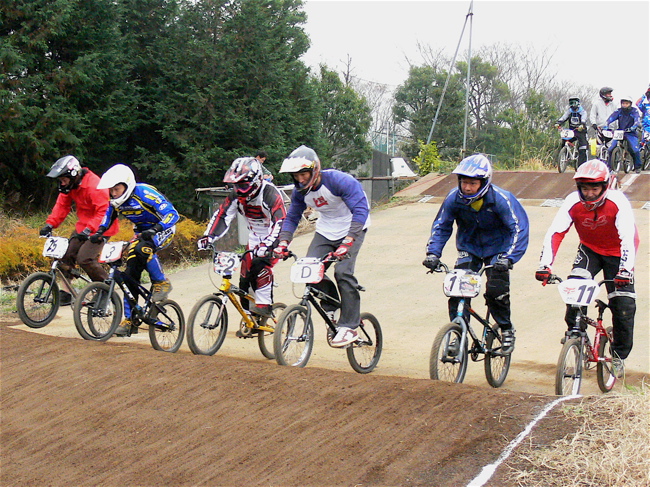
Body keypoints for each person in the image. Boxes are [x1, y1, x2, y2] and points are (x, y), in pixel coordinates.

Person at [535, 159, 638, 377]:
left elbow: (628, 238)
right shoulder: (573, 202)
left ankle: (619, 355)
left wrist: (625, 270)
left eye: (594, 188)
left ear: (605, 186)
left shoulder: (617, 201)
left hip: (619, 254)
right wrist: (545, 265)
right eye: (584, 188)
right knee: (574, 289)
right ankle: (575, 334)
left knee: (624, 307)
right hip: (590, 251)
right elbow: (555, 232)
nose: (589, 193)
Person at [422, 154, 529, 355]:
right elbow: (441, 226)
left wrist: (509, 258)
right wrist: (433, 254)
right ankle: (457, 333)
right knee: (457, 291)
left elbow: (519, 228)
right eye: (464, 182)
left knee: (496, 292)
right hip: (469, 248)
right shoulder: (453, 198)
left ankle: (506, 329)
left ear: (484, 182)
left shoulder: (501, 199)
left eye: (472, 183)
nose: (467, 188)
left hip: (499, 251)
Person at [273, 145, 370, 348]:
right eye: (296, 175)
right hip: (326, 230)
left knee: (343, 272)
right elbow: (292, 216)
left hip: (353, 227)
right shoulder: (300, 192)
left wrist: (349, 240)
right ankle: (333, 306)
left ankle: (349, 325)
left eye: (303, 174)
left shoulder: (339, 181)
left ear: (315, 169)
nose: (300, 179)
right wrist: (283, 241)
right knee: (307, 271)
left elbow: (361, 210)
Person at [92, 164, 179, 336]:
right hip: (141, 234)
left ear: (126, 184)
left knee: (143, 248)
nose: (113, 194)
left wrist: (155, 229)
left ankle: (162, 282)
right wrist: (100, 232)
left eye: (116, 189)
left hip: (163, 230)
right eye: (111, 190)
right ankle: (130, 320)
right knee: (129, 275)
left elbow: (173, 214)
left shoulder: (144, 193)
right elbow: (108, 216)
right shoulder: (116, 201)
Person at [199, 157, 286, 323]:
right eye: (236, 185)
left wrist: (268, 244)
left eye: (244, 185)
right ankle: (248, 319)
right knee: (244, 279)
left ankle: (264, 305)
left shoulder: (270, 193)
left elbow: (281, 222)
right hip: (253, 238)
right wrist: (208, 236)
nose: (239, 190)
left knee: (261, 265)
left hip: (275, 237)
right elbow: (223, 215)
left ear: (256, 180)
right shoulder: (236, 195)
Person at [40, 155, 119, 304]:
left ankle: (105, 290)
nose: (62, 183)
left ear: (74, 174)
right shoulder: (70, 187)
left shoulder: (94, 185)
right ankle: (66, 291)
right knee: (65, 254)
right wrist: (50, 224)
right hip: (83, 226)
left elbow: (104, 212)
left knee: (85, 258)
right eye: (60, 180)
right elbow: (62, 206)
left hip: (102, 227)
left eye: (63, 180)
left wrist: (90, 230)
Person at [605, 95, 642, 173]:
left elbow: (637, 121)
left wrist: (633, 127)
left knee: (635, 150)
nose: (624, 105)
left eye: (626, 103)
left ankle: (637, 166)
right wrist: (606, 126)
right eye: (623, 103)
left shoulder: (634, 111)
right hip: (620, 131)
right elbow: (611, 118)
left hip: (631, 133)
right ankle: (609, 166)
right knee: (611, 148)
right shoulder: (619, 111)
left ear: (630, 104)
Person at [555, 96, 589, 167]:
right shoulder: (569, 111)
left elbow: (584, 119)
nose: (572, 105)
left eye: (574, 103)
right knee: (564, 141)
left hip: (581, 132)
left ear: (578, 103)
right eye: (571, 103)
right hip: (572, 131)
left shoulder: (582, 112)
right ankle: (564, 156)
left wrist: (582, 124)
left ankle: (581, 166)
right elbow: (564, 117)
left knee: (583, 148)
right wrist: (558, 123)